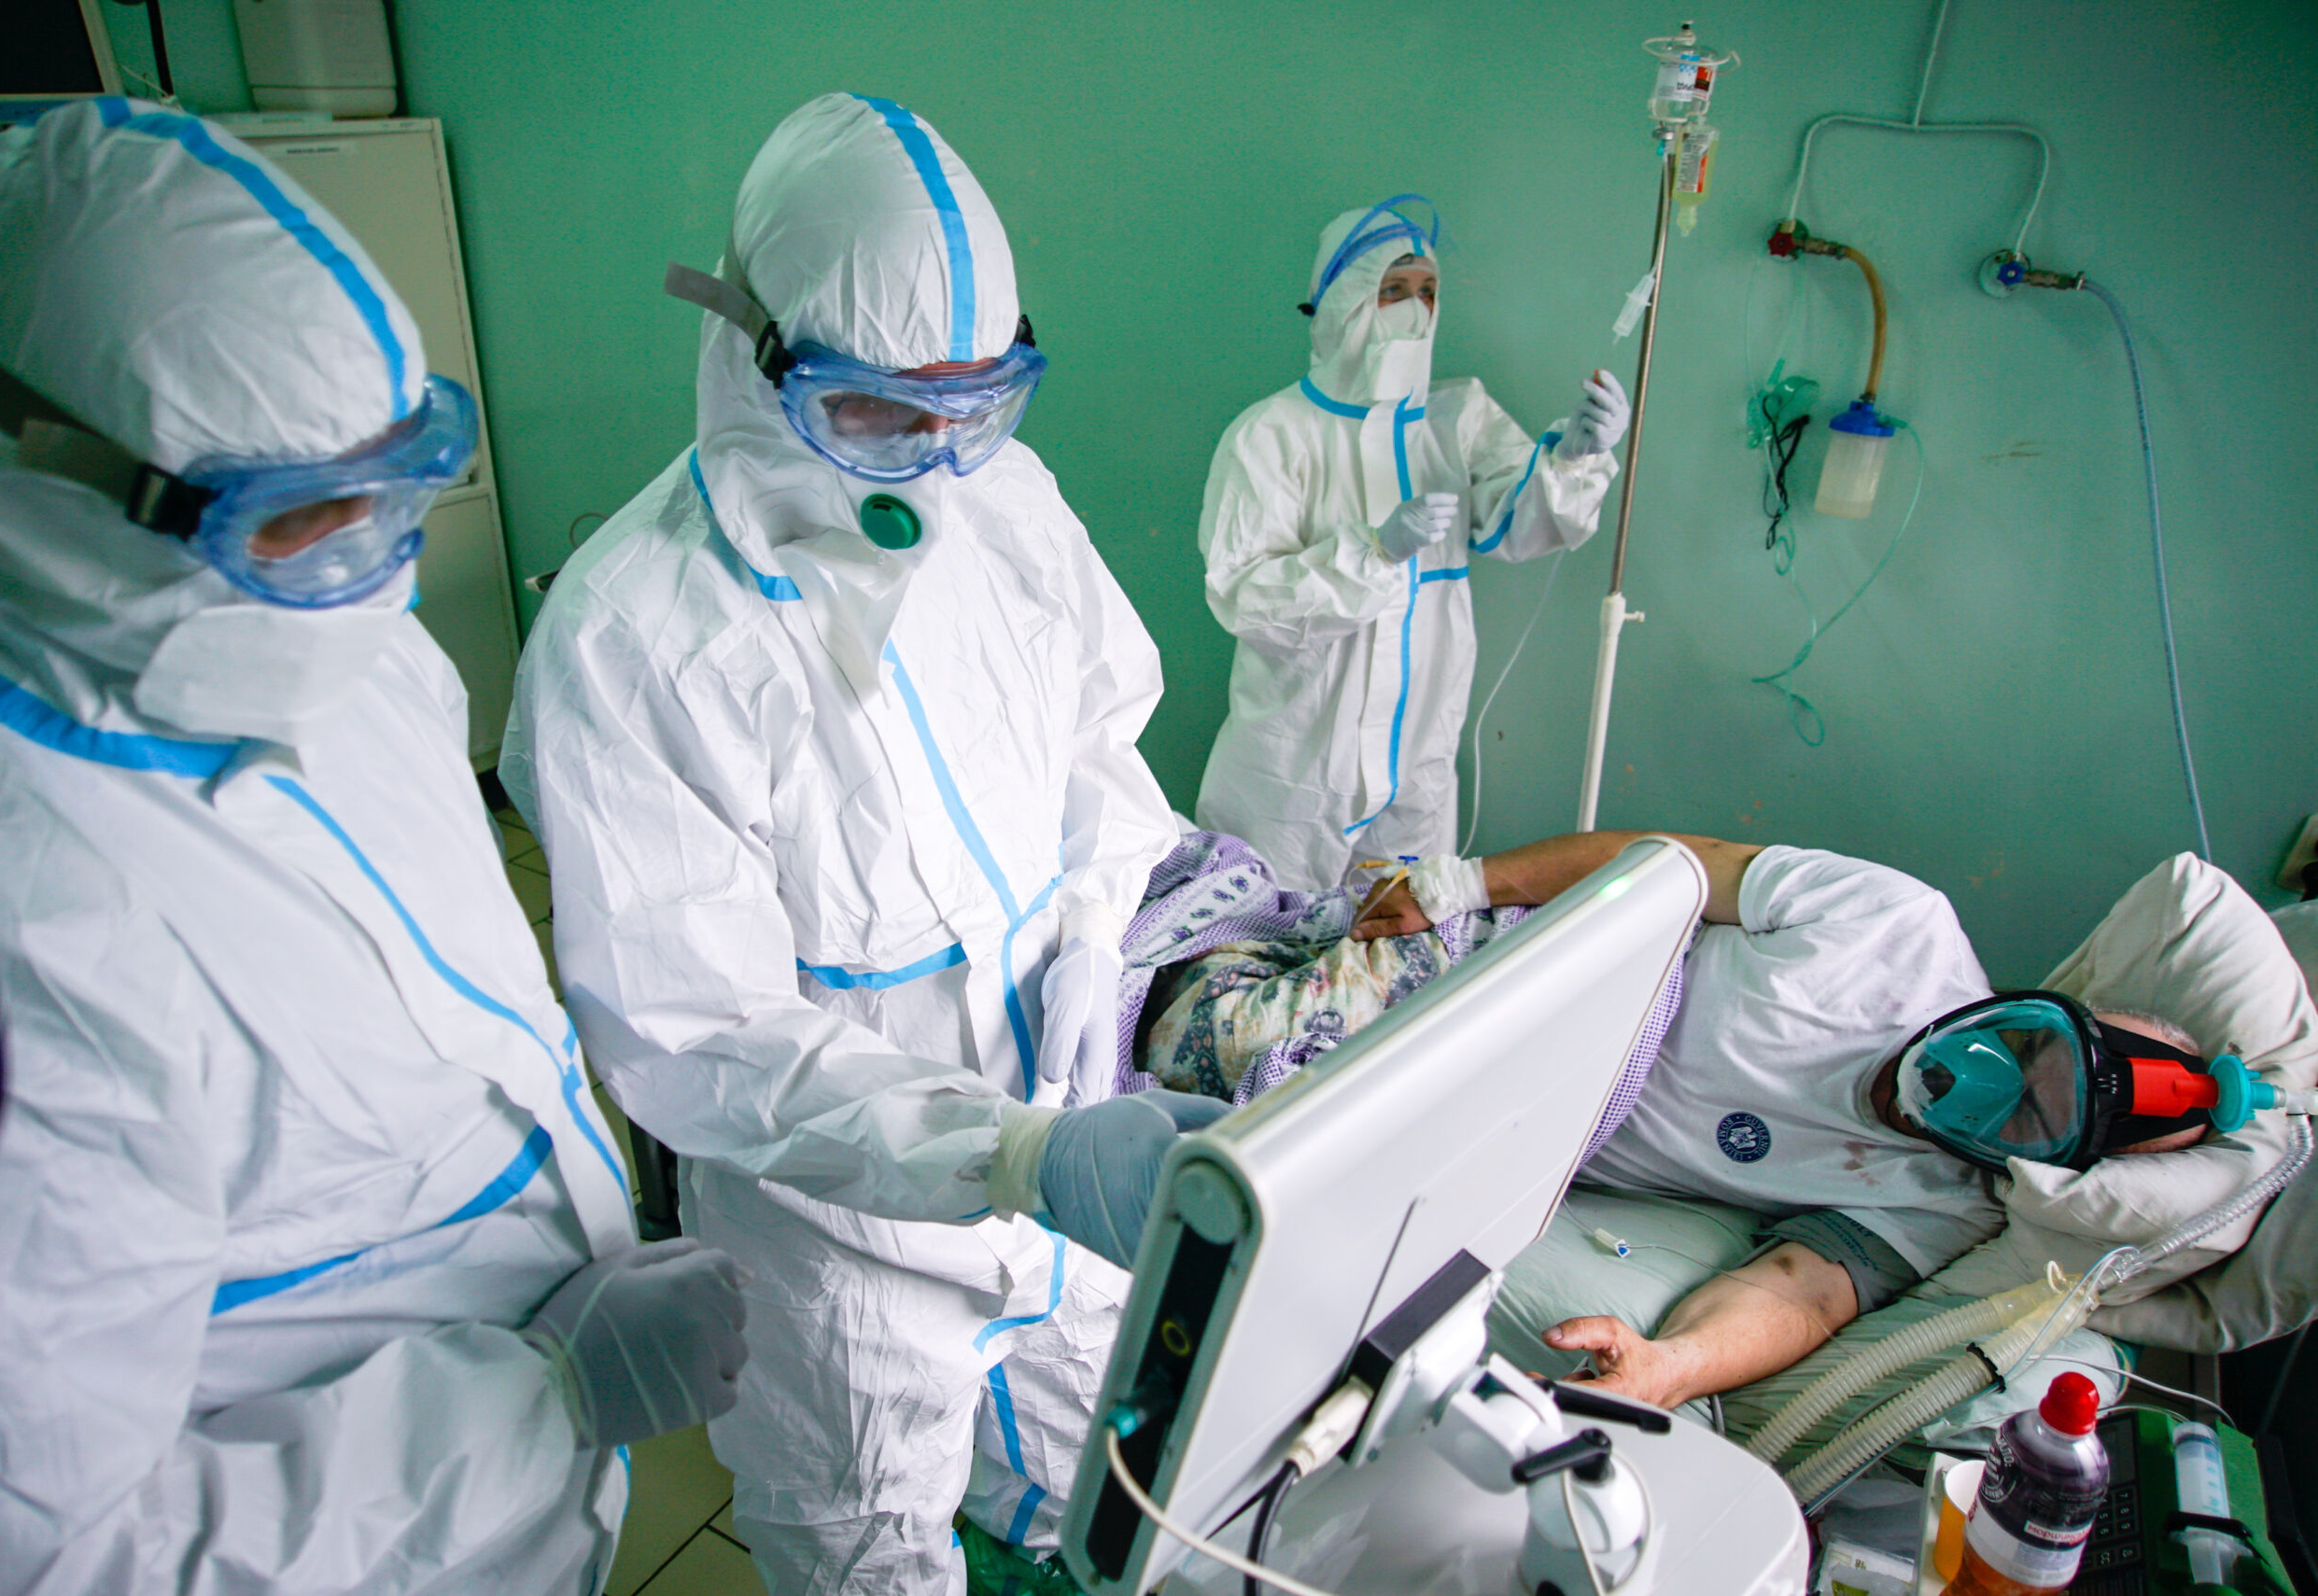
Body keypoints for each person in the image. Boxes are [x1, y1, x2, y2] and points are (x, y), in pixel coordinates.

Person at [0, 103, 748, 1596]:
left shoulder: (339, 648)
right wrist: (537, 1403)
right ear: (42, 480)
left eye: (402, 494)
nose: (383, 570)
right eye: (308, 520)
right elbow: (49, 1563)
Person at [503, 93, 1213, 1593]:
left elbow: (1102, 738)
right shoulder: (636, 632)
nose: (940, 457)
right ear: (750, 354)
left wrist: (1093, 930)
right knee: (867, 1553)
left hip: (1063, 1149)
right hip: (840, 1244)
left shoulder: (1006, 508)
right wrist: (1003, 1149)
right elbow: (700, 1028)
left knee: (1139, 1494)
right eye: (884, 410)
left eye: (984, 399)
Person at [1318, 833, 2215, 1409]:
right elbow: (1668, 868)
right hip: (1497, 969)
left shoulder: (1942, 1202)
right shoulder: (1897, 927)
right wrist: (1462, 882)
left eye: (2023, 1116)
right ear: (2036, 1006)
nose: (1978, 1083)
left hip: (1498, 1113)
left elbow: (1801, 1292)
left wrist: (1676, 1366)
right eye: (2020, 1052)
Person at [1193, 197, 1630, 890]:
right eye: (1392, 291)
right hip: (1297, 768)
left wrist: (1573, 460)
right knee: (1261, 931)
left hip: (1419, 759)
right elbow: (1246, 599)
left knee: (1402, 932)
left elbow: (1518, 526)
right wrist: (1373, 551)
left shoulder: (1458, 419)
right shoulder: (1271, 435)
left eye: (1428, 292)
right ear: (1340, 301)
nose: (1415, 310)